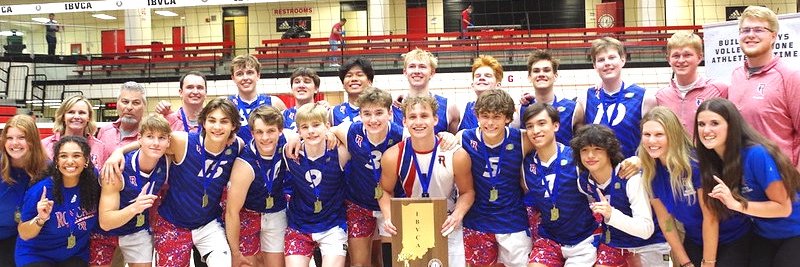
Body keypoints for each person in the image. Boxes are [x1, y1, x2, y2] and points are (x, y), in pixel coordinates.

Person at [104, 98, 244, 267]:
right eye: (212, 120)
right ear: (204, 123)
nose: (217, 127)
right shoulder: (182, 142)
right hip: (173, 224)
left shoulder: (237, 146)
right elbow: (153, 142)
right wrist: (119, 151)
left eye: (224, 122)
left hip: (208, 223)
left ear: (233, 126)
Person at [639, 106, 752, 267]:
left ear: (673, 135)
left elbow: (710, 218)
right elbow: (666, 222)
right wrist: (685, 263)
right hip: (696, 238)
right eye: (647, 134)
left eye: (659, 135)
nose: (651, 141)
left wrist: (708, 263)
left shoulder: (695, 164)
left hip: (732, 237)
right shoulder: (649, 172)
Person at [695, 98, 800, 267]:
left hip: (794, 231)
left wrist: (735, 204)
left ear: (731, 125)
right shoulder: (710, 161)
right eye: (701, 124)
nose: (706, 130)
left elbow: (783, 208)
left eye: (714, 123)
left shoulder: (756, 154)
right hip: (763, 233)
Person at [379, 95, 475, 267]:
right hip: (412, 222)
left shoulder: (456, 154)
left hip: (448, 222)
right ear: (404, 122)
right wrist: (388, 216)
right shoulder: (393, 156)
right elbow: (382, 190)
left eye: (424, 116)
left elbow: (467, 192)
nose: (418, 122)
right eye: (412, 117)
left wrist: (457, 215)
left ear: (435, 119)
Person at [571, 124, 670, 267]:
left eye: (597, 149)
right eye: (584, 150)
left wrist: (612, 215)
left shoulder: (630, 177)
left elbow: (646, 229)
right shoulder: (584, 183)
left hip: (648, 244)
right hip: (615, 244)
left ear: (609, 152)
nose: (590, 155)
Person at [328, 87, 403, 267]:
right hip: (359, 204)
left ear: (390, 113)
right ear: (360, 115)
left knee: (391, 262)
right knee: (359, 264)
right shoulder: (350, 131)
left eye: (379, 113)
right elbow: (331, 130)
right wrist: (329, 133)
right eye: (367, 114)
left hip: (391, 202)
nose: (373, 119)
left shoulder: (402, 135)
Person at [459, 89, 533, 266]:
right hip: (477, 222)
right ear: (477, 116)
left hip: (513, 221)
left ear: (507, 118)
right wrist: (445, 136)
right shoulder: (464, 138)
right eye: (485, 116)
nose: (490, 123)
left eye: (497, 117)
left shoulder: (523, 139)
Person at [521, 103, 599, 266]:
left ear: (555, 126)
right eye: (530, 126)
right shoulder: (525, 164)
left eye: (541, 124)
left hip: (583, 239)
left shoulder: (578, 158)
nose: (535, 131)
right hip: (549, 240)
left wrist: (636, 161)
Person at [728, 5, 800, 168]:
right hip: (743, 178)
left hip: (781, 181)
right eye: (745, 30)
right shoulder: (736, 75)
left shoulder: (790, 76)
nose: (750, 35)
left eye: (758, 30)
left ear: (773, 36)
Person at [96, 115, 170, 267]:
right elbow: (105, 222)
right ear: (139, 139)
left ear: (168, 141)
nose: (156, 143)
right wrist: (135, 208)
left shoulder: (167, 160)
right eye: (150, 137)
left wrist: (120, 150)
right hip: (105, 233)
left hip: (137, 230)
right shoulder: (117, 170)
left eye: (161, 138)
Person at [16, 136, 100, 267]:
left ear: (86, 160)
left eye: (76, 155)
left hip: (74, 254)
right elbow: (24, 234)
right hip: (37, 254)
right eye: (63, 156)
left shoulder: (94, 183)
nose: (70, 161)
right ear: (56, 161)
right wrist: (40, 219)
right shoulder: (41, 190)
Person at [283, 103, 349, 267]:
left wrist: (334, 131)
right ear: (299, 131)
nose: (311, 131)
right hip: (299, 226)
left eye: (316, 125)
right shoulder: (290, 152)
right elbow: (276, 130)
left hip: (333, 226)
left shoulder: (340, 152)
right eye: (305, 127)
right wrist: (292, 136)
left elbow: (352, 128)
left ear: (326, 125)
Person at [226, 106, 289, 267]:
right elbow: (232, 212)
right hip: (247, 214)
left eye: (271, 131)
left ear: (280, 131)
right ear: (252, 133)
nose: (265, 137)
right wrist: (235, 253)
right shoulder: (244, 165)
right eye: (259, 132)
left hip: (276, 211)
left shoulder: (287, 143)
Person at [576, 37, 657, 158]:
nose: (607, 63)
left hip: (632, 171)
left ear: (623, 60)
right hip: (597, 172)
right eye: (601, 60)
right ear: (594, 65)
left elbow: (652, 139)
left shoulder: (644, 97)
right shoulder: (585, 98)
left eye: (612, 57)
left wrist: (639, 160)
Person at [656, 31, 728, 136]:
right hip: (675, 152)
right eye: (676, 56)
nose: (681, 60)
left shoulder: (719, 89)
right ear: (668, 59)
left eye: (687, 55)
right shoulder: (661, 96)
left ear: (699, 57)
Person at [0, 115, 49, 267]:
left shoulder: (47, 169)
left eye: (21, 137)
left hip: (30, 239)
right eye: (9, 138)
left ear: (32, 140)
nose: (14, 143)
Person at [392, 48, 461, 134]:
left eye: (422, 67)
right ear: (405, 72)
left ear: (432, 73)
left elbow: (454, 143)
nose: (417, 71)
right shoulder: (392, 108)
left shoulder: (450, 108)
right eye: (412, 66)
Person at [519, 49, 582, 144]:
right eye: (536, 71)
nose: (541, 74)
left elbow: (582, 144)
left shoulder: (573, 109)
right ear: (529, 77)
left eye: (546, 70)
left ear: (555, 75)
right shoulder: (521, 109)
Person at [229, 54, 288, 143]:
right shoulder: (227, 105)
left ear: (258, 75)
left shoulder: (274, 103)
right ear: (233, 78)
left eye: (250, 72)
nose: (245, 78)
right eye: (240, 74)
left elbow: (287, 132)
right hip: (236, 155)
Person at [42, 95, 108, 168]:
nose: (76, 117)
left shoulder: (100, 147)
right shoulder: (44, 146)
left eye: (82, 113)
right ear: (63, 116)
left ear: (89, 117)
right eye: (71, 112)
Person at [457, 55, 503, 131]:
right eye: (478, 76)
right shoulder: (461, 111)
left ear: (498, 85)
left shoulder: (507, 111)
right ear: (472, 85)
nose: (481, 78)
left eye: (488, 76)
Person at [98, 81, 147, 152]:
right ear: (117, 104)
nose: (129, 107)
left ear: (144, 107)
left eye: (136, 103)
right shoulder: (105, 131)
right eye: (125, 102)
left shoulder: (150, 134)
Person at [330, 57, 375, 126]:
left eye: (359, 75)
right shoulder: (333, 112)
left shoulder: (382, 109)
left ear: (370, 81)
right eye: (349, 76)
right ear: (343, 84)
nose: (354, 79)